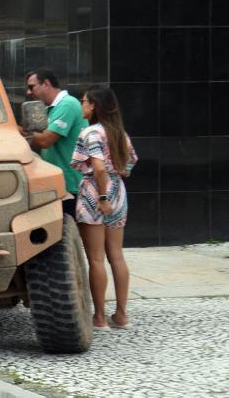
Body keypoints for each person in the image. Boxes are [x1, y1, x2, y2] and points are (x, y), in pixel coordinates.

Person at [72, 84, 137, 330]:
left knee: (96, 259)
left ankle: (99, 318)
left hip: (95, 193)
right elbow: (128, 169)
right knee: (117, 255)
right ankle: (121, 315)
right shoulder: (120, 133)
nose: (81, 104)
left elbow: (97, 167)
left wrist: (101, 196)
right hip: (119, 191)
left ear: (94, 105)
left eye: (84, 100)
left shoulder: (91, 133)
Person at [25, 68, 88, 216]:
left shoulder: (67, 104)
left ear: (46, 84)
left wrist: (17, 130)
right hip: (58, 184)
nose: (29, 92)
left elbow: (45, 141)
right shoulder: (50, 109)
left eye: (31, 86)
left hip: (71, 185)